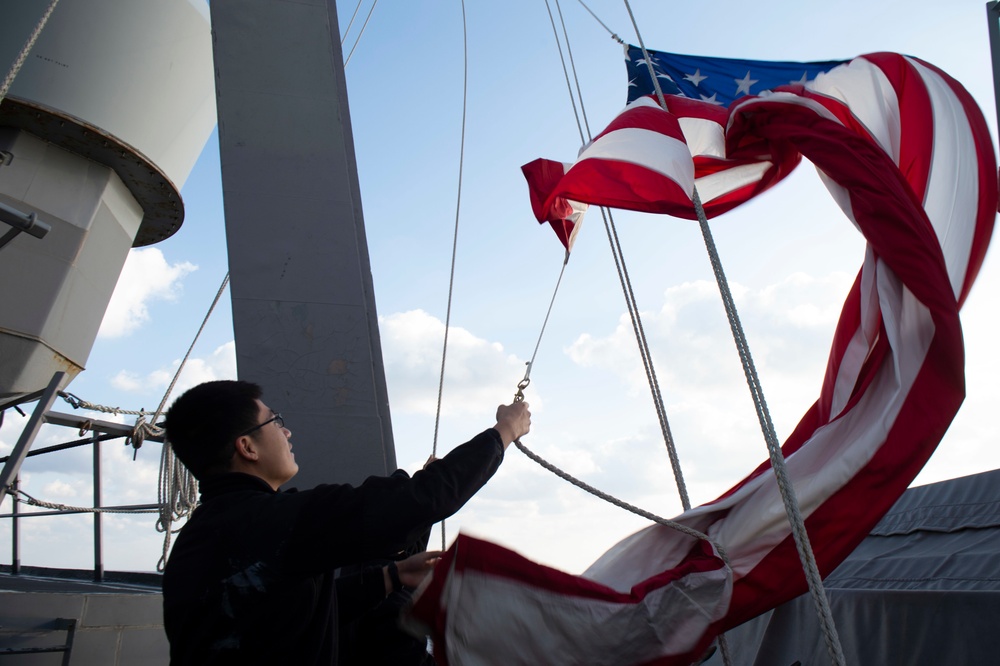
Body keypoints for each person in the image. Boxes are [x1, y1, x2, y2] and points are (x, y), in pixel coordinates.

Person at [161, 379, 530, 665]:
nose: (286, 432)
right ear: (247, 447)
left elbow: (289, 612)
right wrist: (504, 432)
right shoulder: (280, 521)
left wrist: (392, 576)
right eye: (276, 421)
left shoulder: (197, 540)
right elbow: (420, 500)